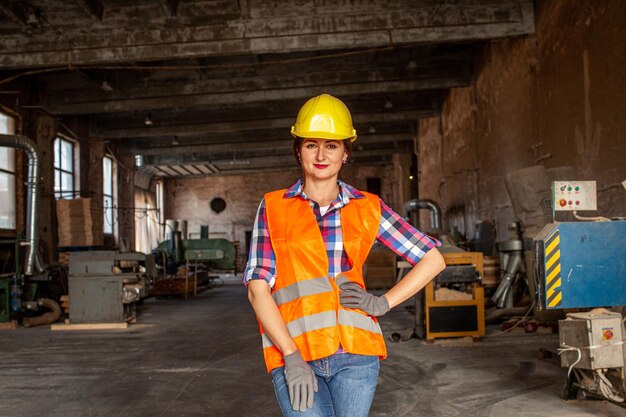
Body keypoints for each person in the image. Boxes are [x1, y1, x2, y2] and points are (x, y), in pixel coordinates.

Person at [244, 93, 446, 417]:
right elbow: (257, 289)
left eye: (332, 145)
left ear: (346, 152)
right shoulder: (273, 207)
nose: (321, 154)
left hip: (356, 353)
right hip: (296, 351)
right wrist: (290, 355)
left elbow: (433, 258)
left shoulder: (368, 207)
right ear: (298, 151)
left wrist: (383, 303)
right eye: (311, 144)